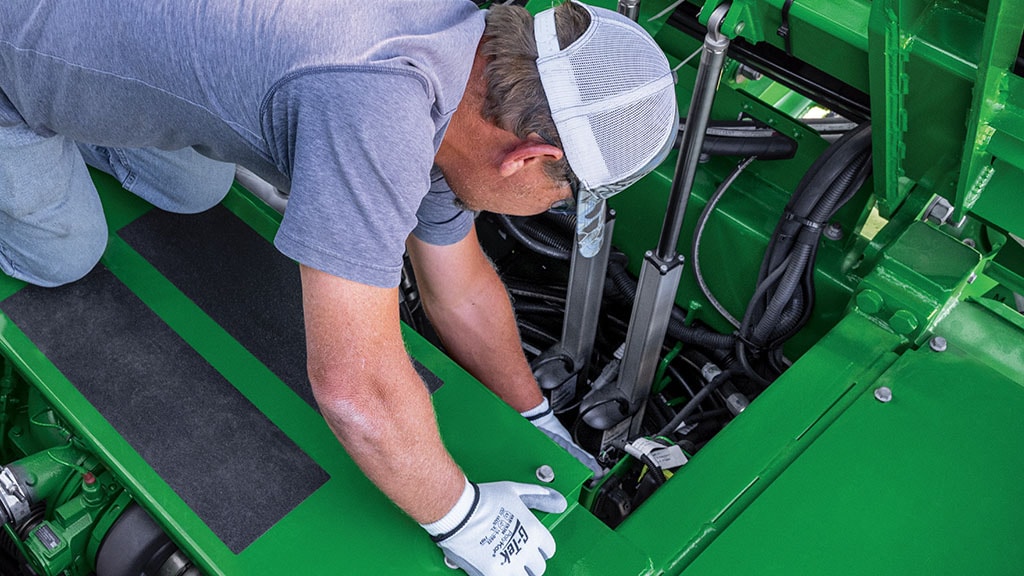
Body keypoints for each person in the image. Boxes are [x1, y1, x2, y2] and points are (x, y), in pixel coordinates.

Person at [0, 1, 677, 574]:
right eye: (559, 197)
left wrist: (536, 420)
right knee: (65, 253)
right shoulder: (379, 104)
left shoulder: (466, 61)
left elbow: (461, 287)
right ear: (530, 157)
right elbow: (356, 391)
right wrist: (463, 519)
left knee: (194, 188)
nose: (546, 209)